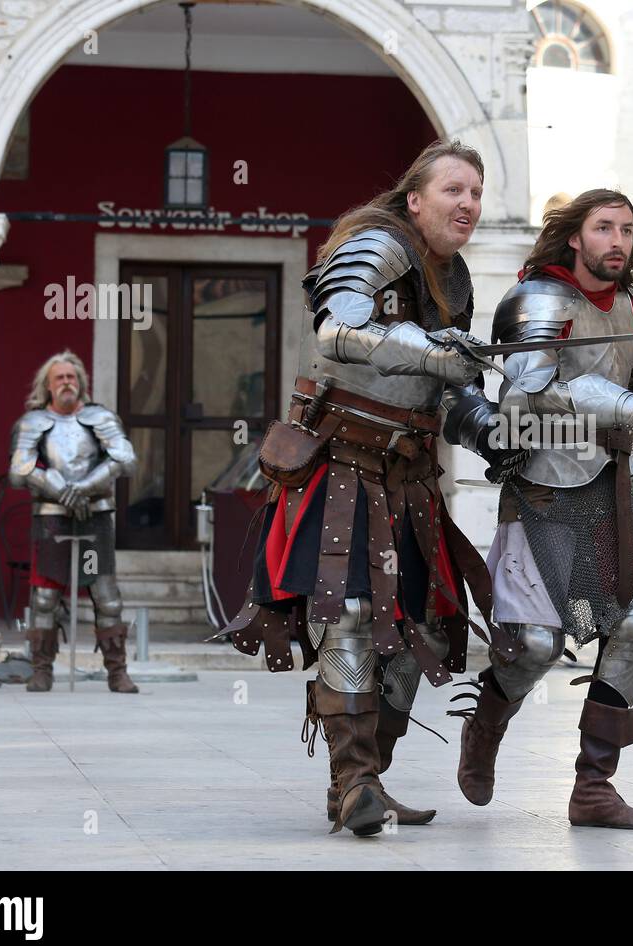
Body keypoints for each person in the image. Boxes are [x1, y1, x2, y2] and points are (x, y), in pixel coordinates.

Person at [213, 140, 517, 837]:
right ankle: (352, 782)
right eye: (453, 190)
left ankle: (366, 778)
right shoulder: (378, 244)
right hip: (341, 465)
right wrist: (438, 351)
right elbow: (342, 327)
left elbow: (453, 395)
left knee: (413, 635)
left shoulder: (456, 279)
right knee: (348, 616)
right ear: (415, 199)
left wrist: (492, 431)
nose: (468, 203)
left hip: (408, 479)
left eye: (476, 192)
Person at [452, 189, 633, 830]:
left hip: (610, 488)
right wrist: (626, 407)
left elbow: (628, 384)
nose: (618, 241)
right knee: (533, 644)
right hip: (544, 489)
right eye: (604, 228)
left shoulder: (629, 305)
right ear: (575, 237)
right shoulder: (540, 298)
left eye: (627, 231)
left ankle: (594, 786)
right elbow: (533, 397)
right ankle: (487, 727)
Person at [9, 351, 139, 694]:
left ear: (80, 382)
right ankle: (41, 670)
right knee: (44, 598)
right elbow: (19, 470)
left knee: (107, 597)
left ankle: (117, 672)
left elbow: (125, 460)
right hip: (52, 518)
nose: (67, 382)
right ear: (48, 386)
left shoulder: (101, 418)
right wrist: (56, 486)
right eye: (60, 378)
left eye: (71, 377)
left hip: (94, 514)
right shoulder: (33, 422)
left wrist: (82, 488)